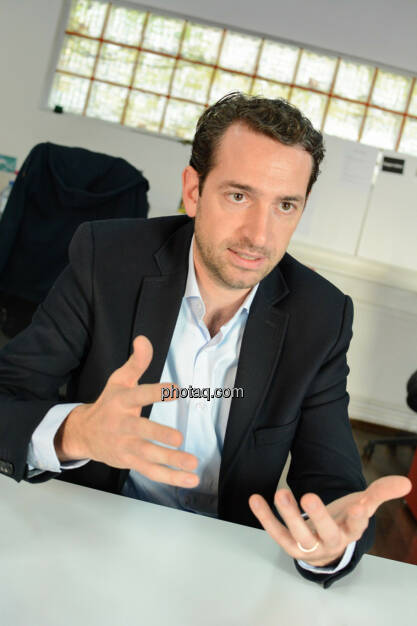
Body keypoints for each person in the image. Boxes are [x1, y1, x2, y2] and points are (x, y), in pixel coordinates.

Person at [0, 93, 411, 588]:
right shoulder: (106, 259)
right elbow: (8, 396)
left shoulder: (320, 315)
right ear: (193, 191)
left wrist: (329, 545)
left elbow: (333, 483)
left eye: (285, 205)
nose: (260, 235)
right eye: (239, 196)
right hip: (82, 537)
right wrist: (76, 433)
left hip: (224, 564)